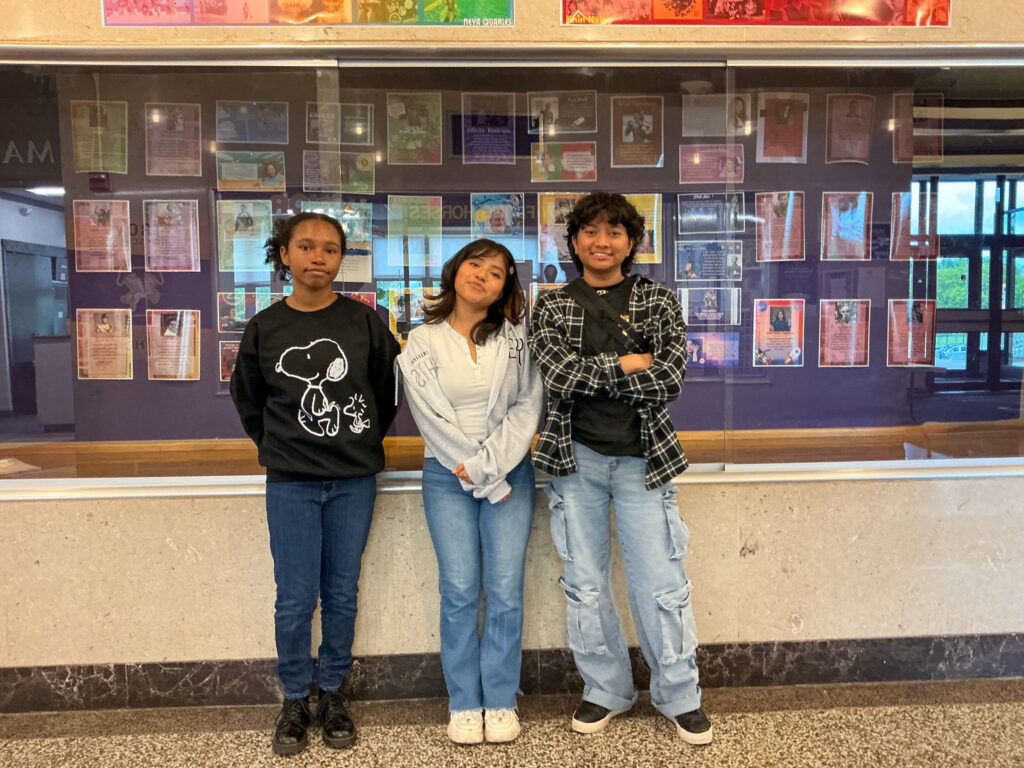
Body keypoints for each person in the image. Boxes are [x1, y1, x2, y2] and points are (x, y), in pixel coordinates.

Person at [528, 192, 713, 746]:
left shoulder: (657, 300)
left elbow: (670, 379)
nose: (601, 241)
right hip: (574, 457)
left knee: (662, 584)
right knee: (584, 583)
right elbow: (558, 378)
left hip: (644, 461)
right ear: (575, 240)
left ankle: (680, 695)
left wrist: (598, 371)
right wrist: (627, 362)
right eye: (590, 231)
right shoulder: (554, 305)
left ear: (632, 242)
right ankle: (605, 689)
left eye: (614, 232)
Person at [230, 212, 401, 757]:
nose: (318, 257)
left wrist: (358, 441)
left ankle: (332, 694)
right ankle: (293, 698)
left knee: (342, 594)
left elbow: (386, 392)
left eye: (330, 249)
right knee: (295, 600)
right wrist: (277, 447)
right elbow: (249, 399)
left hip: (353, 480)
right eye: (306, 246)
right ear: (284, 254)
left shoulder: (365, 323)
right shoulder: (264, 326)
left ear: (340, 258)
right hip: (291, 483)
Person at [398, 239, 543, 746]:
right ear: (455, 271)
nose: (483, 275)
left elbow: (526, 409)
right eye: (474, 264)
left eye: (497, 272)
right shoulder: (420, 340)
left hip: (510, 475)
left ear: (507, 286)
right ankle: (463, 702)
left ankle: (500, 700)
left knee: (504, 590)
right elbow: (430, 419)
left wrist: (492, 468)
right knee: (459, 591)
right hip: (445, 476)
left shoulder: (518, 339)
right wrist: (482, 474)